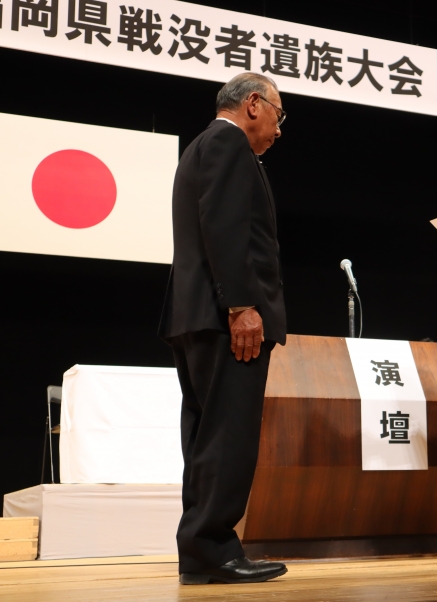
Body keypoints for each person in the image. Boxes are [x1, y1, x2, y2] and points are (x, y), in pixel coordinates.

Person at [158, 73, 288, 585]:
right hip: (222, 317)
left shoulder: (202, 146)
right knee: (228, 437)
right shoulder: (229, 143)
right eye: (279, 113)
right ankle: (212, 547)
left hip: (195, 314)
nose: (280, 128)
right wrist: (241, 307)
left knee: (206, 438)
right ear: (254, 104)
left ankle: (202, 550)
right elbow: (225, 227)